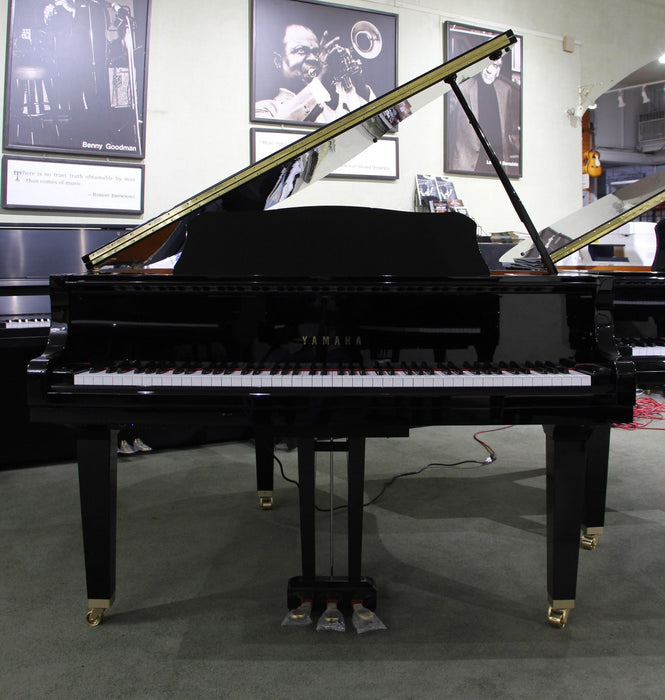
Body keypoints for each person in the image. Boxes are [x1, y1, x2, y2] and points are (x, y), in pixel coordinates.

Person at [254, 23, 376, 124]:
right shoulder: (264, 108)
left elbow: (373, 128)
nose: (313, 58)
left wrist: (360, 86)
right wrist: (320, 81)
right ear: (277, 61)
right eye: (301, 50)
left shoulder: (335, 106)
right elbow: (277, 132)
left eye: (316, 52)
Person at [447, 56, 521, 175]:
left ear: (499, 70)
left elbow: (511, 130)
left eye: (495, 65)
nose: (489, 70)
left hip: (497, 164)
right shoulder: (462, 87)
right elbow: (446, 123)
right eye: (486, 64)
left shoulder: (506, 90)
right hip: (465, 164)